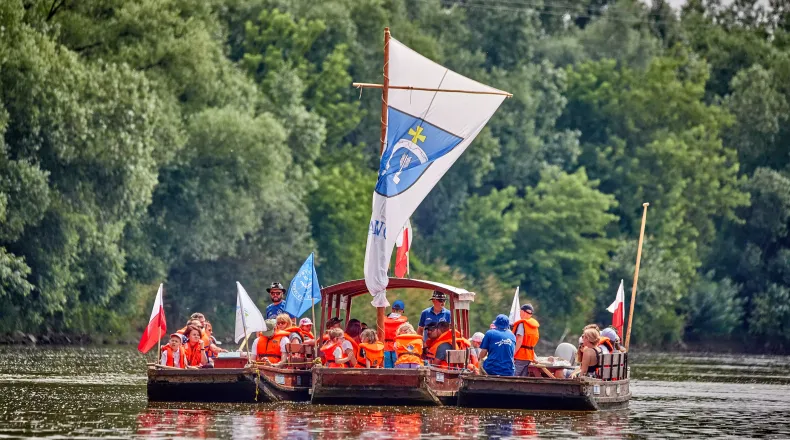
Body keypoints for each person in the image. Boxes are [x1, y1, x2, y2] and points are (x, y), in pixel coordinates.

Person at [512, 303, 540, 376]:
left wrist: (512, 354)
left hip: (520, 355)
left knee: (513, 375)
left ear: (522, 312)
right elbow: (530, 345)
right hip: (529, 356)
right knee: (523, 377)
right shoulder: (534, 326)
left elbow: (519, 341)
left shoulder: (522, 324)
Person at [383, 300, 408, 368]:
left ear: (392, 309)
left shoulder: (383, 320)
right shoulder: (404, 322)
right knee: (397, 368)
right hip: (397, 347)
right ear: (402, 310)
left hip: (385, 347)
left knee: (386, 369)